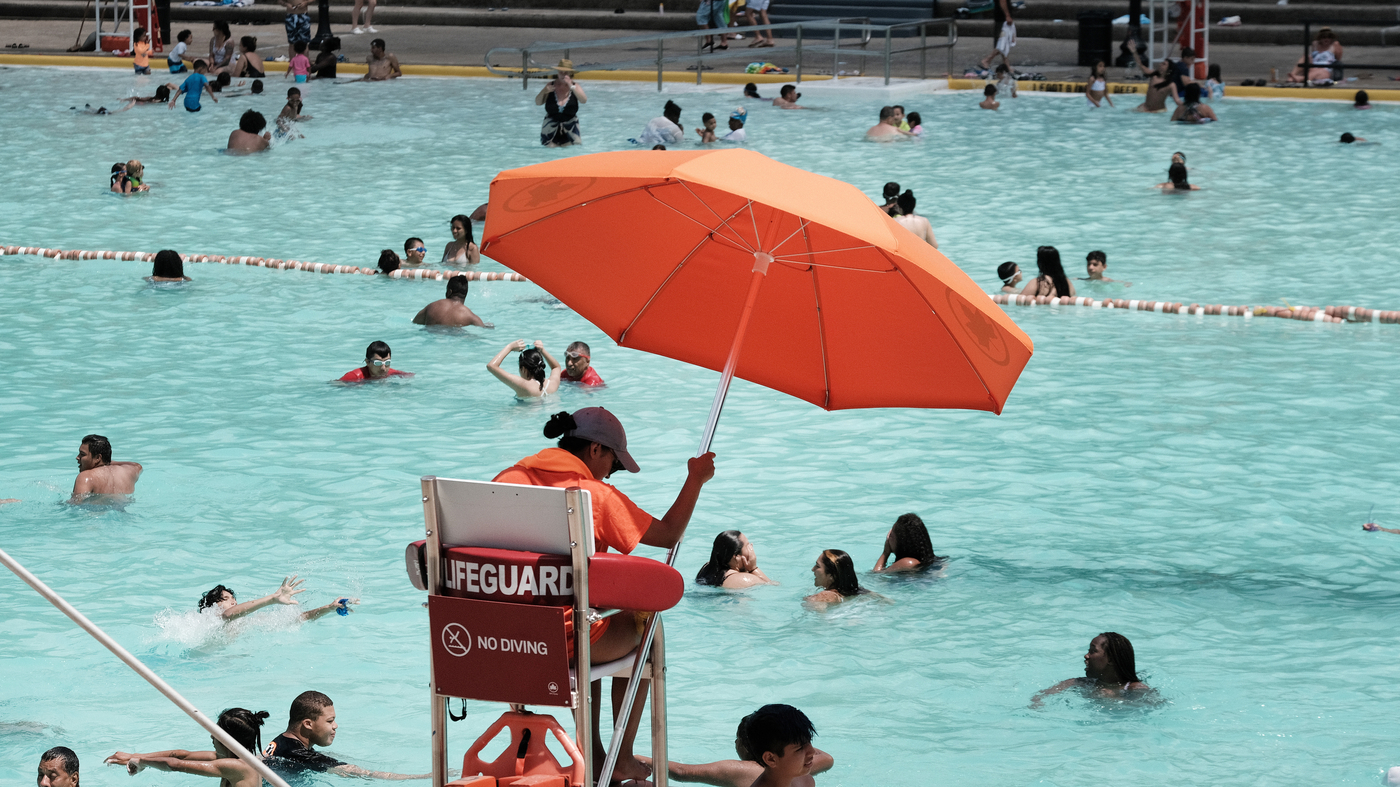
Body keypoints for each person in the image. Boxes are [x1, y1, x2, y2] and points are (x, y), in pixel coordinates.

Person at [493, 408, 716, 784]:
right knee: (645, 623)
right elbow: (668, 534)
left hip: (498, 637)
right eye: (613, 460)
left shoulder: (506, 480)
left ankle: (594, 753)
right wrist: (696, 479)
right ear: (596, 449)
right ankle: (622, 756)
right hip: (562, 640)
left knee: (591, 614)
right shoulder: (593, 496)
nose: (611, 472)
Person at [640, 712, 833, 787]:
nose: (811, 752)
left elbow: (682, 772)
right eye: (801, 748)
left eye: (809, 743)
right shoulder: (801, 774)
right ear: (771, 759)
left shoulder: (802, 775)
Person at [264, 691, 425, 779]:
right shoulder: (298, 754)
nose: (335, 726)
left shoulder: (283, 742)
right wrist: (421, 777)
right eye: (329, 721)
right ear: (308, 724)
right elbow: (360, 773)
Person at [104, 708, 271, 787]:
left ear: (227, 740)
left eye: (216, 733)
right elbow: (181, 755)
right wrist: (133, 755)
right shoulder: (228, 758)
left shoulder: (238, 766)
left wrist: (141, 762)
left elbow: (175, 765)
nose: (211, 737)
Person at [1031, 632, 1151, 706]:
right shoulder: (1082, 683)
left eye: (1093, 651)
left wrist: (1114, 699)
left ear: (1110, 659)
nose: (1086, 655)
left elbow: (1152, 708)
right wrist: (1038, 703)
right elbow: (1041, 695)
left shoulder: (1135, 689)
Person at [198, 577, 356, 622]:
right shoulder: (210, 620)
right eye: (225, 599)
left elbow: (298, 619)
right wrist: (273, 599)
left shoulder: (246, 623)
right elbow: (227, 615)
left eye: (233, 598)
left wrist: (328, 607)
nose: (233, 602)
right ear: (212, 606)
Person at [742, 705, 818, 787]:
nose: (812, 752)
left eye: (809, 741)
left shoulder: (803, 778)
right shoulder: (803, 778)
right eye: (799, 748)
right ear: (771, 759)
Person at [71, 434, 142, 502]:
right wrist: (106, 461)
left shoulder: (86, 477)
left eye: (82, 454)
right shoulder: (129, 472)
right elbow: (137, 465)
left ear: (98, 458)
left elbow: (75, 505)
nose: (77, 457)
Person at [695, 530, 776, 588]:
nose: (751, 548)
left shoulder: (706, 567)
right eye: (748, 546)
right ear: (736, 556)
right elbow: (773, 585)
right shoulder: (744, 579)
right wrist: (753, 569)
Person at [536, 59, 587, 147]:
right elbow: (538, 102)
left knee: (573, 150)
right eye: (561, 72)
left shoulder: (575, 86)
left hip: (571, 129)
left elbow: (583, 100)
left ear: (570, 73)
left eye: (565, 72)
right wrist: (544, 91)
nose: (563, 75)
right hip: (549, 130)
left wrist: (572, 87)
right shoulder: (550, 85)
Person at [487, 340, 562, 399]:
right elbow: (556, 367)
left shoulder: (524, 385)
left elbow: (491, 366)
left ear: (523, 369)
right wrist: (542, 350)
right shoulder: (552, 384)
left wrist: (509, 347)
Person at [413, 275, 494, 328]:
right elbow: (483, 328)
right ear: (465, 294)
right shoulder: (469, 315)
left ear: (449, 292)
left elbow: (415, 322)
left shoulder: (432, 306)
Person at [873, 512, 940, 572]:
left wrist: (885, 553)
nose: (888, 538)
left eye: (891, 535)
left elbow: (875, 576)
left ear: (901, 542)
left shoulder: (907, 562)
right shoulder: (937, 561)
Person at [805, 549, 871, 605]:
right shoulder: (863, 591)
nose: (813, 569)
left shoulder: (823, 597)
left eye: (817, 566)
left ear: (831, 576)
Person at [339, 341, 413, 382]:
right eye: (378, 363)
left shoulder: (391, 373)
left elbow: (411, 376)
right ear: (367, 362)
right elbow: (335, 385)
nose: (383, 368)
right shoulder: (355, 376)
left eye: (387, 363)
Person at [978, 0, 1014, 70]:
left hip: (1000, 15)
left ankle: (1006, 65)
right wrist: (1007, 15)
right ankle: (987, 60)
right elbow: (1002, 1)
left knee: (1003, 42)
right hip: (1002, 17)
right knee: (1002, 42)